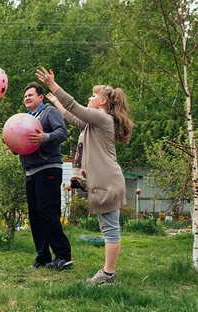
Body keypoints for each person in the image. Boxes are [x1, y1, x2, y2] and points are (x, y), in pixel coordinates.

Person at [37, 67, 134, 284]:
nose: (90, 98)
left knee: (110, 230)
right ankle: (108, 273)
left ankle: (108, 274)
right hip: (106, 179)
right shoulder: (96, 123)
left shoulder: (102, 118)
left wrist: (53, 84)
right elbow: (73, 118)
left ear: (102, 103)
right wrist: (56, 103)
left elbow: (75, 107)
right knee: (108, 227)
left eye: (93, 95)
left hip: (107, 180)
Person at [21, 82, 72, 270]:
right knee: (35, 215)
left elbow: (62, 132)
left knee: (48, 211)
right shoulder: (25, 118)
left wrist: (45, 138)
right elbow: (23, 144)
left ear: (41, 97)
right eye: (25, 95)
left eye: (30, 94)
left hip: (48, 167)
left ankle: (63, 256)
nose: (27, 97)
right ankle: (43, 255)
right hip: (30, 171)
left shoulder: (49, 112)